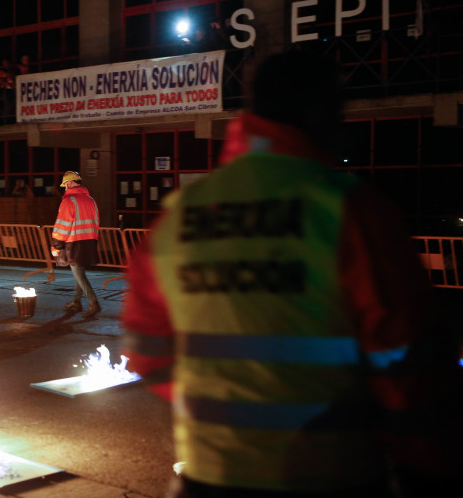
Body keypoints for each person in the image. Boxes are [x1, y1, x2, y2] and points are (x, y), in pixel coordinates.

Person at [120, 50, 462, 498]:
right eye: (340, 109)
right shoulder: (350, 209)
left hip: (209, 474)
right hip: (331, 473)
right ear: (317, 110)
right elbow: (408, 361)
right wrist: (430, 466)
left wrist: (223, 413)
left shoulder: (183, 213)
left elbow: (145, 347)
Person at [51, 171, 101, 317]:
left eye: (65, 185)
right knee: (80, 271)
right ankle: (76, 302)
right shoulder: (90, 200)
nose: (65, 188)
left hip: (74, 243)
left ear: (71, 183)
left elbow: (62, 226)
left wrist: (56, 245)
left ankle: (94, 303)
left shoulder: (69, 201)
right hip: (89, 241)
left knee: (78, 273)